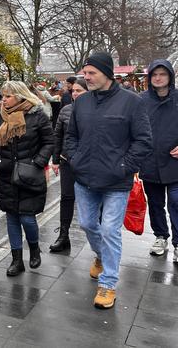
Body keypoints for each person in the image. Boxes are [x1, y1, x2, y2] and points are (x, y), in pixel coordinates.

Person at [66, 51, 152, 309]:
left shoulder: (132, 102)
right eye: (85, 73)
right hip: (85, 177)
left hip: (116, 181)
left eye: (91, 73)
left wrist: (124, 166)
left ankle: (108, 284)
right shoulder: (81, 103)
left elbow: (143, 140)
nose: (86, 78)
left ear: (107, 73)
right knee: (88, 224)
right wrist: (75, 159)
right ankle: (102, 257)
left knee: (110, 230)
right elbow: (72, 136)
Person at [0, 81, 54, 276]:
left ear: (20, 96)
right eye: (3, 96)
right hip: (7, 174)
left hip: (29, 175)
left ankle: (34, 248)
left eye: (7, 96)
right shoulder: (0, 118)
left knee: (27, 218)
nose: (3, 100)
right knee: (11, 218)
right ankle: (16, 260)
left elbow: (49, 142)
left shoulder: (37, 115)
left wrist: (37, 162)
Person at [139, 60, 178, 260]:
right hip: (150, 162)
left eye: (162, 74)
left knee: (176, 202)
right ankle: (160, 235)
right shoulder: (142, 100)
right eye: (154, 74)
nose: (158, 78)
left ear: (170, 76)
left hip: (174, 162)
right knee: (155, 203)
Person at [49, 78, 88, 252]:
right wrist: (55, 160)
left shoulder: (94, 110)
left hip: (88, 163)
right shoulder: (66, 110)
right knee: (66, 198)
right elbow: (57, 135)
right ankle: (63, 235)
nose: (75, 94)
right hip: (67, 161)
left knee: (90, 199)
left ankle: (98, 237)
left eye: (80, 91)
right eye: (74, 91)